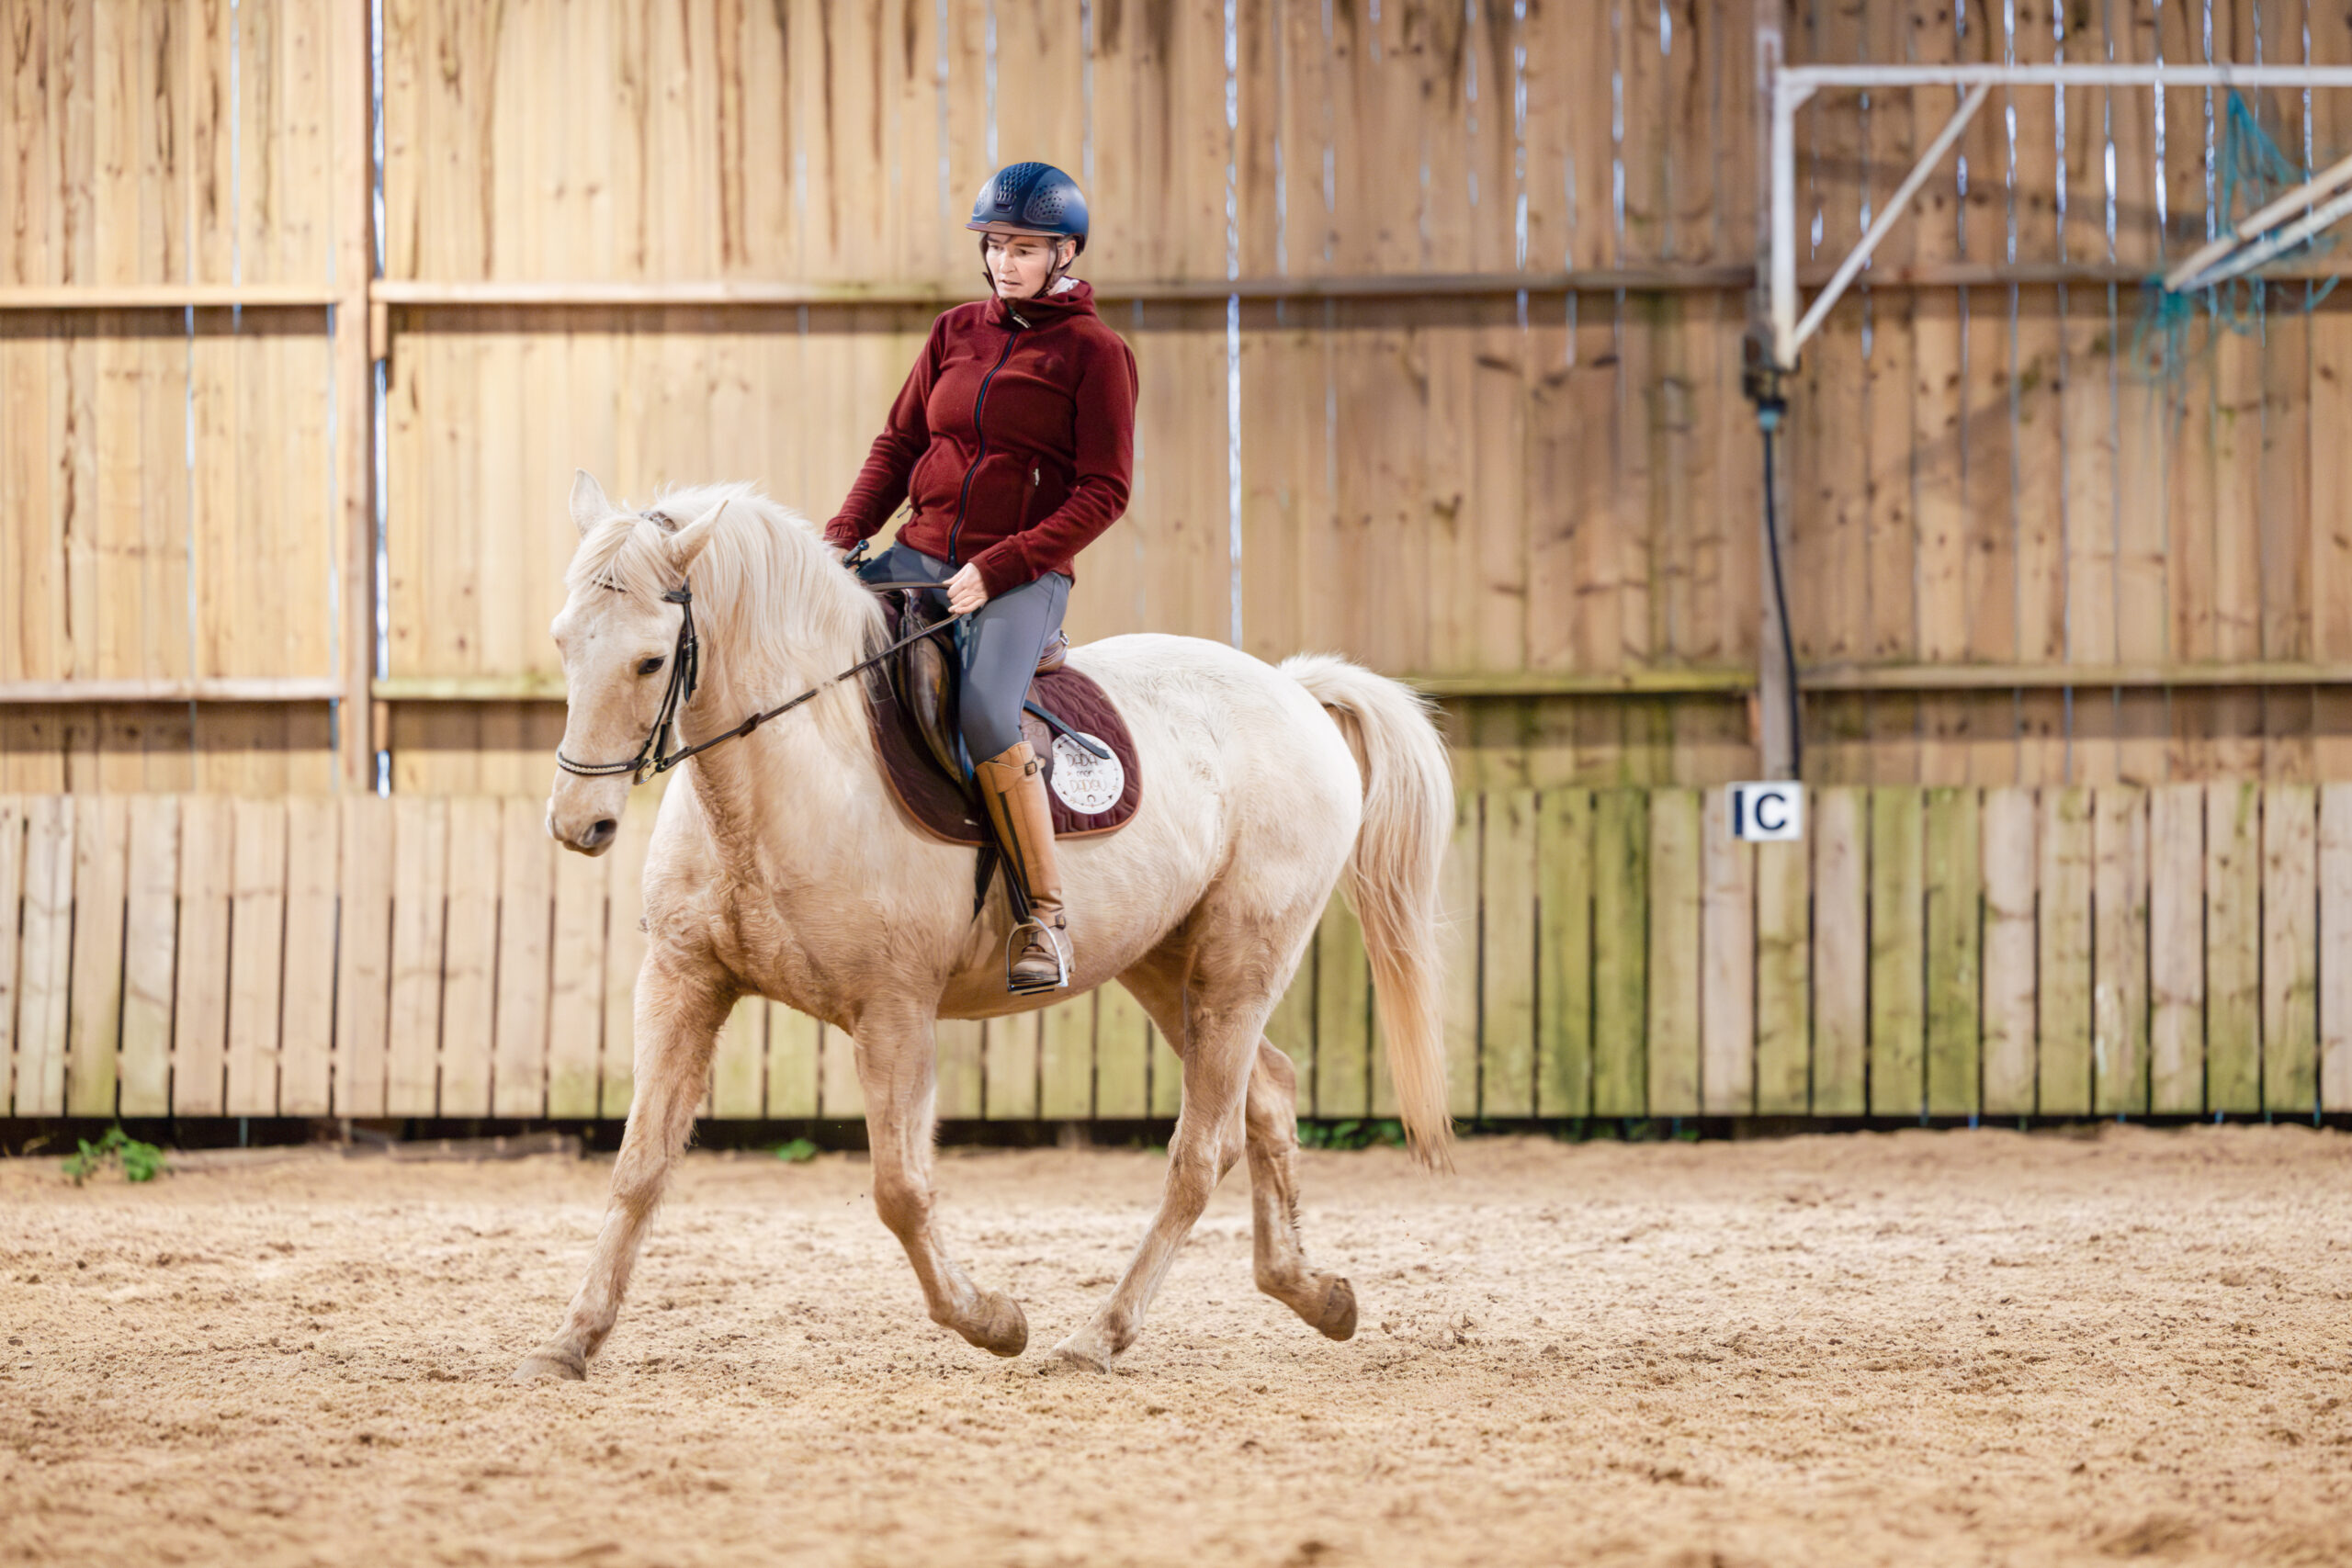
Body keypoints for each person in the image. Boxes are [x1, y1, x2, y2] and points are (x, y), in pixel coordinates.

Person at [825, 162, 1139, 994]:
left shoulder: (1097, 354)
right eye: (996, 245)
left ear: (1065, 253)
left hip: (1022, 570)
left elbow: (1105, 492)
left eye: (1025, 248)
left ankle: (1043, 915)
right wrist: (844, 533)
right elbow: (897, 447)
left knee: (985, 707)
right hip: (918, 550)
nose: (1005, 262)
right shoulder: (953, 332)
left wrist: (997, 569)